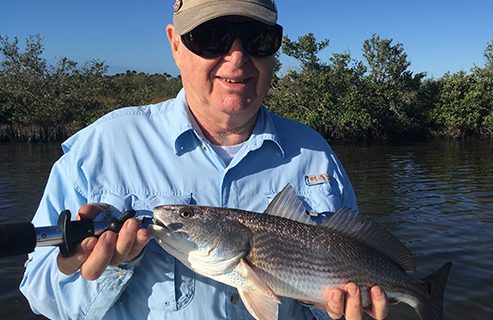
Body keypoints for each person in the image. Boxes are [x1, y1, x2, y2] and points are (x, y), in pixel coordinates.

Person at [19, 0, 388, 319]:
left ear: (275, 48)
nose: (238, 57)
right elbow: (43, 298)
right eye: (212, 36)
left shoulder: (317, 155)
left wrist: (338, 310)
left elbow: (347, 275)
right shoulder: (99, 149)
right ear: (175, 44)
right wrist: (104, 271)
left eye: (258, 38)